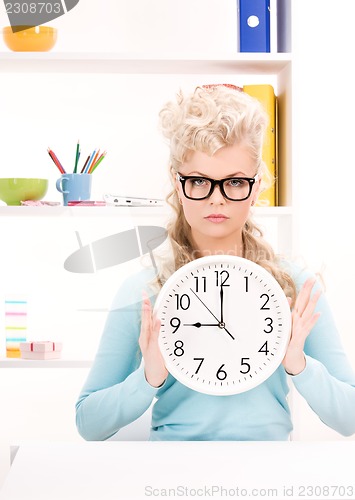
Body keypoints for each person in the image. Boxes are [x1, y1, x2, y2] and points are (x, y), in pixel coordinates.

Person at [75, 84, 355, 441]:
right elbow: (89, 423)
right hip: (171, 480)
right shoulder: (145, 291)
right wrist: (149, 377)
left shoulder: (293, 286)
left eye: (235, 182)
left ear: (255, 187)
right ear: (179, 185)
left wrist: (299, 365)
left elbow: (349, 418)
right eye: (199, 181)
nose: (217, 200)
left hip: (270, 481)